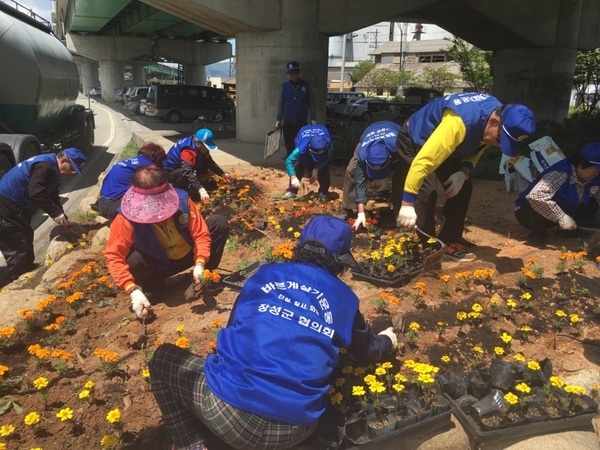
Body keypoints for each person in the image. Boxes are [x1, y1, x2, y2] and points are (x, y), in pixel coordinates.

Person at [148, 215, 397, 450]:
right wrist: (388, 340)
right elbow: (367, 351)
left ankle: (190, 444)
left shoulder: (265, 275)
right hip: (296, 428)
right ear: (340, 261)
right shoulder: (344, 299)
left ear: (300, 248)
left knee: (162, 358)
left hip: (228, 414)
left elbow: (235, 326)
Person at [396, 93, 536, 261]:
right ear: (493, 122)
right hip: (416, 139)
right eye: (500, 140)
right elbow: (423, 162)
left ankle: (450, 240)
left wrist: (464, 172)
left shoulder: (498, 116)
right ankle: (428, 247)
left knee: (464, 187)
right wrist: (407, 203)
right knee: (427, 189)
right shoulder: (458, 124)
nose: (498, 146)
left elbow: (479, 147)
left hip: (450, 145)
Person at [104, 166, 229, 320]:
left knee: (218, 223)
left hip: (189, 255)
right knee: (134, 260)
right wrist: (132, 289)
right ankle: (155, 288)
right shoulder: (125, 218)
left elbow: (200, 234)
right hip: (159, 265)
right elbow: (114, 256)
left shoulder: (182, 201)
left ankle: (204, 278)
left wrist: (200, 264)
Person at [0, 148, 87, 280]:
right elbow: (36, 193)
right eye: (72, 168)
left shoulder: (51, 168)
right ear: (63, 160)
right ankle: (18, 279)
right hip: (6, 204)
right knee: (16, 243)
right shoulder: (45, 167)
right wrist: (56, 214)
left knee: (26, 235)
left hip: (15, 205)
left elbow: (51, 195)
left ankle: (28, 270)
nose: (71, 173)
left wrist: (62, 216)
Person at [515, 142, 600, 247]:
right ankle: (537, 234)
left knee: (593, 202)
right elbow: (535, 196)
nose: (597, 174)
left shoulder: (593, 179)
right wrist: (562, 217)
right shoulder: (561, 172)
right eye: (596, 170)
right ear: (583, 164)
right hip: (529, 211)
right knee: (539, 203)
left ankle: (569, 231)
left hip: (562, 209)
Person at [341, 121, 405, 231]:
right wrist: (361, 212)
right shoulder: (363, 153)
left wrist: (390, 174)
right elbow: (359, 180)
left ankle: (400, 213)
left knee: (401, 178)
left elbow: (406, 168)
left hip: (395, 138)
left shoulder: (400, 149)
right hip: (369, 136)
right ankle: (348, 208)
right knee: (351, 170)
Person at [97, 142, 167, 221]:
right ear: (158, 159)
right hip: (113, 206)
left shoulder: (130, 162)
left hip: (102, 202)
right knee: (152, 195)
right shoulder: (148, 166)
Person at [164, 128, 231, 203]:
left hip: (182, 167)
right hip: (170, 172)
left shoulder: (200, 147)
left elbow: (209, 162)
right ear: (198, 143)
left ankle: (202, 186)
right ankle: (183, 195)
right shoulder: (188, 151)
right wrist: (200, 189)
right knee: (185, 174)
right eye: (206, 146)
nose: (207, 149)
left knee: (203, 164)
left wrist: (222, 174)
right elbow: (187, 172)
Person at [275, 61, 317, 156]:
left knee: (301, 146)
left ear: (298, 72)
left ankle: (300, 166)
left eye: (294, 73)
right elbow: (281, 103)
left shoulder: (306, 86)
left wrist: (313, 118)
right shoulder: (285, 87)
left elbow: (311, 103)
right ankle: (290, 166)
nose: (292, 76)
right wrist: (278, 119)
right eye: (290, 74)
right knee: (289, 146)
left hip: (301, 122)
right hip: (288, 122)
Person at [284, 124, 332, 200]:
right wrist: (293, 177)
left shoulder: (328, 144)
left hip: (320, 136)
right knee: (299, 164)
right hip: (303, 136)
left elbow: (327, 157)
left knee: (324, 168)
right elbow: (289, 161)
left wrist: (317, 168)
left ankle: (323, 192)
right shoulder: (301, 149)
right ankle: (291, 191)